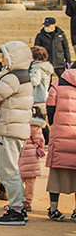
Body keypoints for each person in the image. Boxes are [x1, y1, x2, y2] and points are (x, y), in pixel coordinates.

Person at [0, 41, 34, 225]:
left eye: (4, 55)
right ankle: (19, 207)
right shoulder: (23, 75)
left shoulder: (13, 77)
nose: (2, 59)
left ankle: (17, 210)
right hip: (16, 128)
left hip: (8, 129)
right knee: (11, 170)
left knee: (7, 171)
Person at [45, 66, 76, 221]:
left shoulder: (59, 82)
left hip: (61, 133)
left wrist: (54, 124)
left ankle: (53, 209)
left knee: (56, 173)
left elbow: (50, 108)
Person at [19, 110, 47, 213]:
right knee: (30, 184)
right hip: (33, 160)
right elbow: (42, 143)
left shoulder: (22, 126)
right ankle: (28, 202)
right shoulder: (38, 129)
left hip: (22, 159)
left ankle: (17, 201)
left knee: (19, 182)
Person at [30, 46, 55, 133]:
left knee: (40, 123)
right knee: (43, 121)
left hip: (38, 98)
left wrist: (26, 78)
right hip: (44, 96)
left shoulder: (37, 68)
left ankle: (45, 139)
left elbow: (35, 81)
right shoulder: (45, 67)